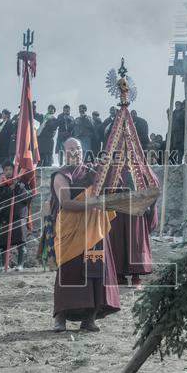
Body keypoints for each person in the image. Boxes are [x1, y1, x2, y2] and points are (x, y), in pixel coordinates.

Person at [50, 138, 120, 332]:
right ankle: (61, 317)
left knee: (95, 270)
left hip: (94, 231)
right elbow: (66, 203)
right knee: (69, 272)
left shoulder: (91, 172)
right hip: (71, 232)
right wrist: (94, 203)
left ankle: (90, 318)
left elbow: (111, 177)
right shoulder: (61, 175)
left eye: (78, 148)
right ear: (65, 152)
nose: (76, 152)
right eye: (71, 149)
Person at [0, 162, 34, 270]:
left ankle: (20, 264)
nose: (8, 172)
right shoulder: (0, 186)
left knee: (20, 242)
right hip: (5, 217)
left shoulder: (21, 184)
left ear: (14, 170)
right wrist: (9, 189)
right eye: (6, 170)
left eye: (10, 170)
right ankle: (4, 264)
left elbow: (28, 198)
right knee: (4, 244)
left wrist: (18, 187)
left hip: (18, 217)